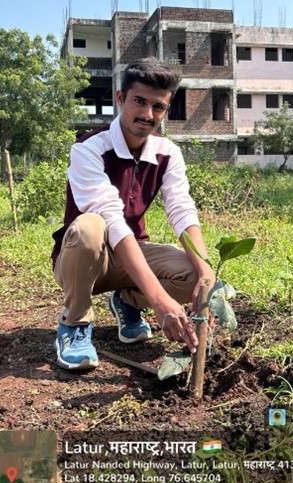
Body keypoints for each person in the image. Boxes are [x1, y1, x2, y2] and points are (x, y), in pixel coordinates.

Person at [51, 57, 215, 371]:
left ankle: (127, 301)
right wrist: (160, 301)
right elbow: (111, 220)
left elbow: (181, 209)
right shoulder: (89, 149)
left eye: (158, 107)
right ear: (121, 98)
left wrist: (207, 275)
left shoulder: (168, 153)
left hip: (132, 256)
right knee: (90, 227)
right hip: (85, 260)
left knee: (196, 273)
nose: (147, 114)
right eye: (139, 101)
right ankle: (74, 323)